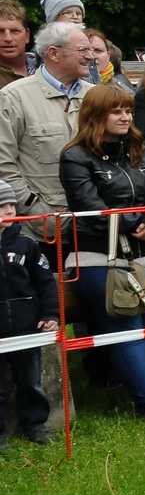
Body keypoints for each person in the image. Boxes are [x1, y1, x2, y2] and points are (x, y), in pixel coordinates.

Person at [59, 85, 145, 424]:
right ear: (95, 116)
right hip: (100, 256)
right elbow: (89, 206)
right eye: (116, 111)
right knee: (128, 328)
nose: (126, 117)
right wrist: (134, 223)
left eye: (128, 110)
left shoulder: (140, 150)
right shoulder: (75, 157)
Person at [0, 21, 91, 235]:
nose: (90, 56)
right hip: (39, 231)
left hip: (93, 227)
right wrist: (34, 208)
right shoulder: (14, 97)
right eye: (82, 50)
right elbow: (3, 164)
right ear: (54, 53)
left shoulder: (95, 96)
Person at [0, 179, 59, 445]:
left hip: (26, 328)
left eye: (12, 204)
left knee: (30, 382)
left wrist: (50, 315)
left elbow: (45, 283)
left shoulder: (27, 244)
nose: (9, 210)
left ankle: (36, 425)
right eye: (2, 206)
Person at [0, 1, 34, 87]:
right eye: (0, 31)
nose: (8, 38)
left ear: (27, 35)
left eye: (15, 31)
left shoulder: (48, 69)